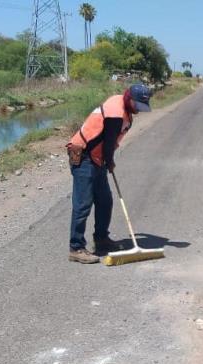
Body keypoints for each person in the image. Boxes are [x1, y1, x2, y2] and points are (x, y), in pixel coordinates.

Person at [65, 84, 152, 264]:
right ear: (129, 99)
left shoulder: (123, 106)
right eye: (137, 105)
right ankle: (76, 248)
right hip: (84, 157)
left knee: (105, 201)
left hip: (97, 159)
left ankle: (101, 239)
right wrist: (110, 161)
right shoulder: (115, 114)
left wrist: (106, 162)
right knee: (83, 205)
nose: (139, 110)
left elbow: (107, 145)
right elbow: (108, 143)